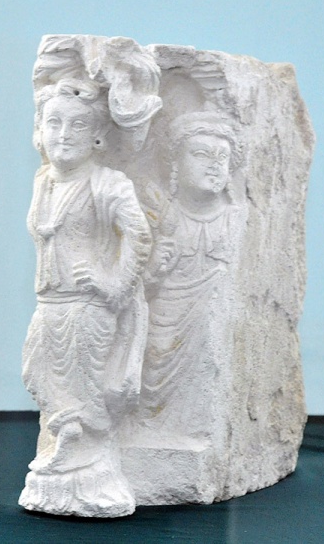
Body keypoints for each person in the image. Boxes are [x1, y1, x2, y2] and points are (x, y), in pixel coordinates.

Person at [18, 78, 151, 517]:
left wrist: (112, 282)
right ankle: (68, 445)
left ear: (96, 136)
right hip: (50, 301)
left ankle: (89, 467)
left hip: (86, 304)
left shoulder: (107, 183)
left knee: (85, 386)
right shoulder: (44, 181)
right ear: (39, 131)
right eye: (54, 123)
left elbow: (138, 236)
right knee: (37, 372)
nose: (64, 134)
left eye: (77, 125)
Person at [139, 111, 245, 443]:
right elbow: (132, 287)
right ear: (175, 162)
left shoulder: (238, 220)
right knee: (153, 364)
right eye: (201, 154)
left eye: (222, 158)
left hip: (211, 329)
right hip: (163, 323)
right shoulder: (157, 215)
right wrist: (153, 269)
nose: (214, 165)